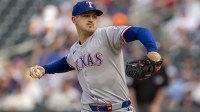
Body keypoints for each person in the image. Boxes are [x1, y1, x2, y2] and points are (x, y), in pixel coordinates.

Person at [28, 1, 162, 111]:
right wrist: (45, 69)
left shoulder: (107, 35)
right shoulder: (75, 48)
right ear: (74, 19)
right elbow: (67, 62)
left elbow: (140, 31)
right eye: (86, 15)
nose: (91, 19)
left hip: (117, 108)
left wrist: (152, 50)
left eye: (94, 16)